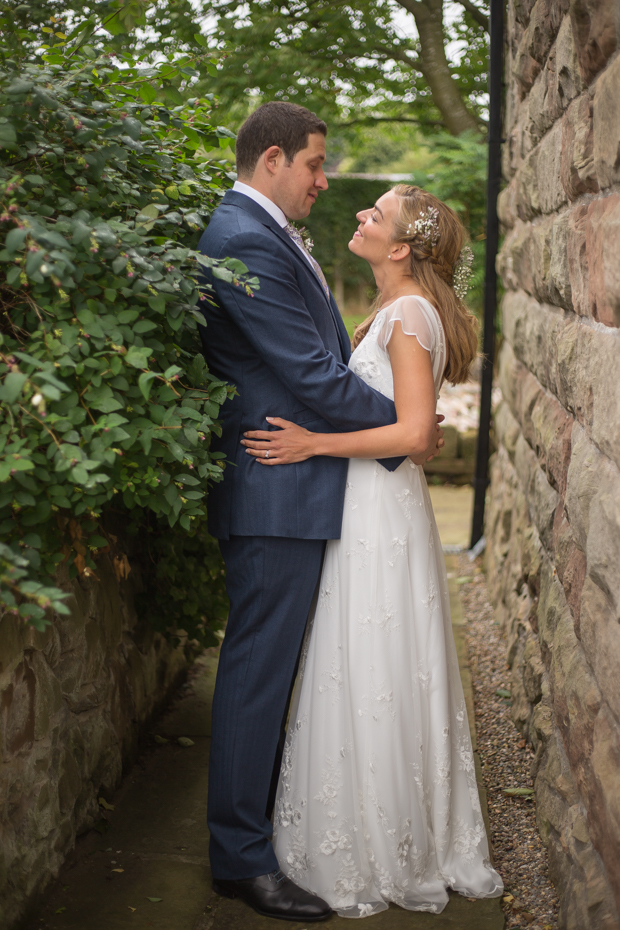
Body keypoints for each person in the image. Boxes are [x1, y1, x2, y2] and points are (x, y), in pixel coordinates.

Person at [196, 103, 444, 923]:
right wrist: (403, 435)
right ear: (273, 160)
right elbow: (309, 374)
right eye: (313, 163)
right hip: (275, 483)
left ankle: (257, 830)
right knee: (257, 674)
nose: (324, 179)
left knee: (274, 675)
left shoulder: (265, 231)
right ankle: (238, 858)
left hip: (298, 486)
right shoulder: (241, 236)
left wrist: (401, 428)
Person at [242, 185, 505, 917]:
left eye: (374, 213)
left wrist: (311, 443)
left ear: (399, 249)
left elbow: (418, 435)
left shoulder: (412, 314)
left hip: (379, 515)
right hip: (365, 506)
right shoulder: (393, 311)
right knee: (359, 661)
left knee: (372, 659)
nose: (359, 214)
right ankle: (360, 826)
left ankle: (384, 842)